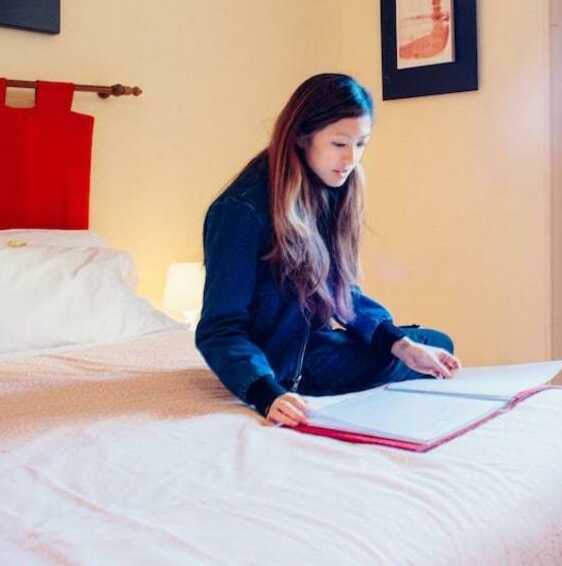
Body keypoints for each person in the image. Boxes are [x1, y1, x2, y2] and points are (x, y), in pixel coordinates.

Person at [196, 73, 461, 427]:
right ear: (302, 136)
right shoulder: (241, 211)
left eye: (361, 144)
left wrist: (399, 344)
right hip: (277, 365)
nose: (351, 158)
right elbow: (219, 329)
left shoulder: (328, 188)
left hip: (313, 344)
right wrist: (265, 393)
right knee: (424, 350)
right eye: (339, 143)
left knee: (432, 344)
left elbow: (340, 291)